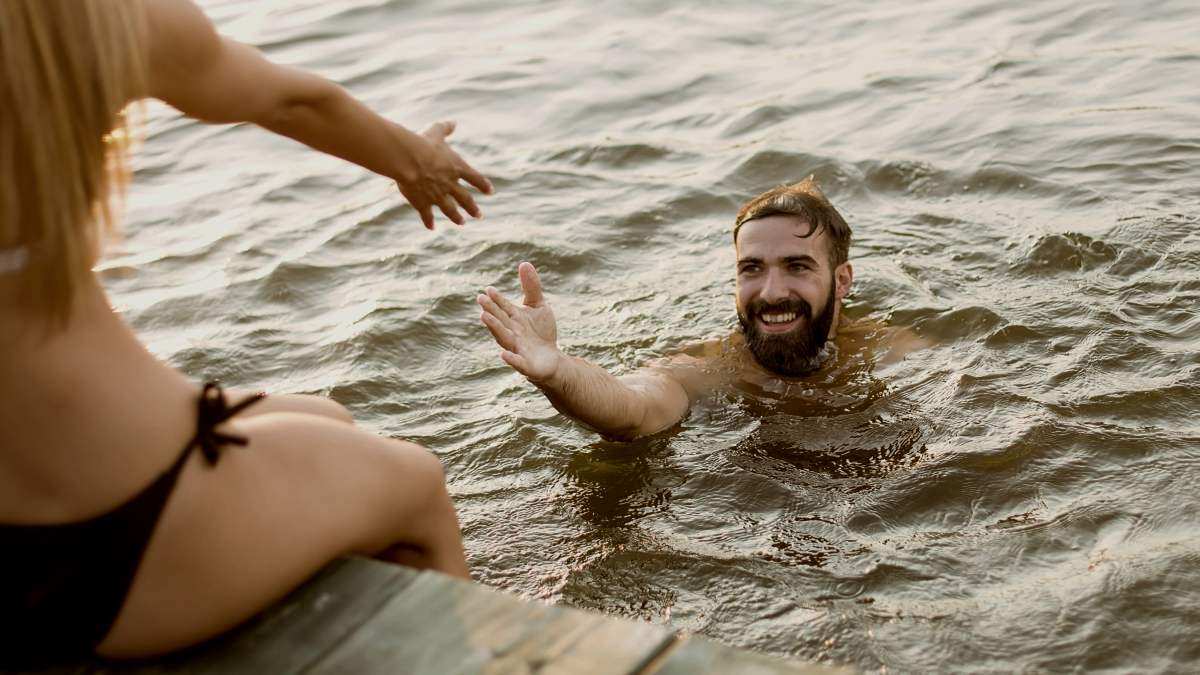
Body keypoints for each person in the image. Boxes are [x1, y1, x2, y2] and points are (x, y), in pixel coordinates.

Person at [0, 0, 491, 666]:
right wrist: (415, 160)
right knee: (415, 484)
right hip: (120, 534)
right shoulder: (89, 27)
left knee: (327, 418)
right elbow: (292, 100)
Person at [478, 178, 927, 441]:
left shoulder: (896, 351)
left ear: (843, 280)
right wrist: (559, 372)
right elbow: (634, 409)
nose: (771, 292)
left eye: (797, 266)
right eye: (751, 268)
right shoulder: (705, 368)